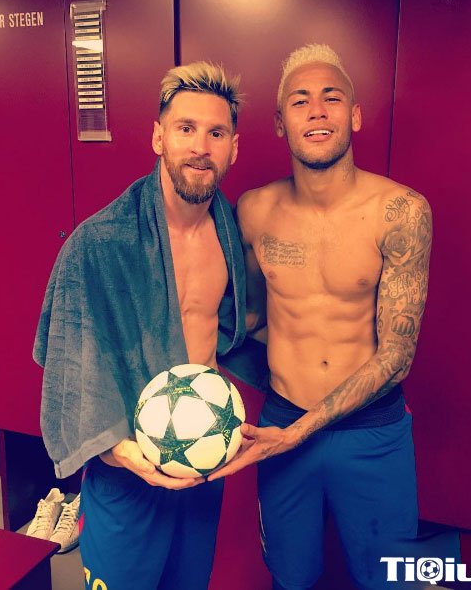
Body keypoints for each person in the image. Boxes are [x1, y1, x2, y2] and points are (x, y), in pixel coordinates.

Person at [210, 44, 433, 590]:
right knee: (291, 577)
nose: (316, 111)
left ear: (353, 115)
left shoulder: (400, 212)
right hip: (282, 420)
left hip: (371, 431)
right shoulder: (255, 210)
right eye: (300, 100)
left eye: (331, 98)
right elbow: (249, 318)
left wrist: (298, 432)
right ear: (279, 124)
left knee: (391, 580)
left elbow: (397, 355)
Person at [34, 62, 246, 590]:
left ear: (233, 148)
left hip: (203, 458)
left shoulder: (231, 234)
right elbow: (71, 367)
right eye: (186, 128)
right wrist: (127, 455)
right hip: (128, 468)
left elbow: (239, 329)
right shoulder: (99, 242)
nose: (201, 147)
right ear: (158, 137)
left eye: (216, 133)